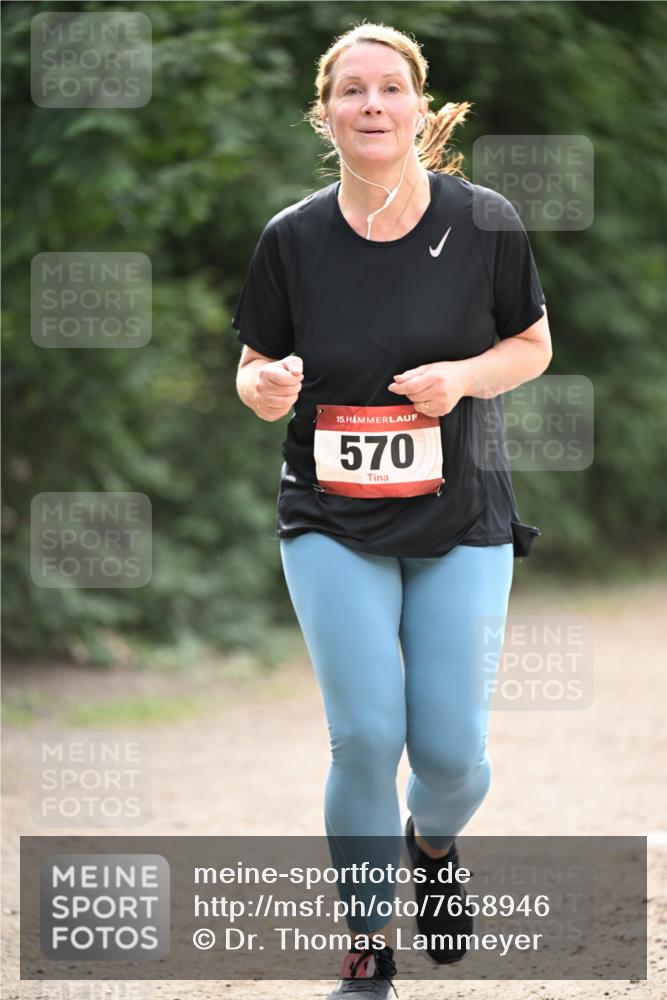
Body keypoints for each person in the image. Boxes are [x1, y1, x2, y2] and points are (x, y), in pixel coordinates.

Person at [233, 21, 552, 1000]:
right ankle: (367, 949)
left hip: (460, 512)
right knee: (365, 735)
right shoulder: (291, 237)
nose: (371, 105)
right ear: (325, 113)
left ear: (418, 105)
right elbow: (253, 366)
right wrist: (268, 387)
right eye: (351, 91)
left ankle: (433, 842)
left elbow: (531, 344)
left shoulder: (484, 219)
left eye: (389, 89)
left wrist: (461, 376)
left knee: (450, 754)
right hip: (329, 513)